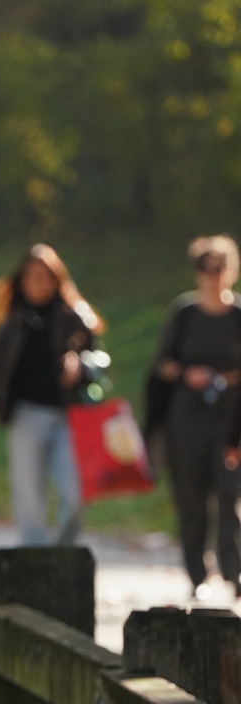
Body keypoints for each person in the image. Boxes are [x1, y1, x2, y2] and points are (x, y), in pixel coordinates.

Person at [0, 244, 104, 545]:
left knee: (76, 495)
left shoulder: (74, 319)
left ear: (56, 280)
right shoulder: (10, 325)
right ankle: (34, 558)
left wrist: (81, 366)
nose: (38, 283)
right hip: (26, 417)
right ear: (21, 282)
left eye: (44, 277)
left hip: (68, 417)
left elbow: (100, 359)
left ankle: (63, 552)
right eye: (32, 277)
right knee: (30, 503)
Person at [147, 235, 241, 598]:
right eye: (205, 267)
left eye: (219, 267)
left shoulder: (238, 316)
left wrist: (228, 379)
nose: (212, 275)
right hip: (186, 418)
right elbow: (162, 364)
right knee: (191, 499)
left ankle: (234, 575)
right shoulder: (184, 313)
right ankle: (197, 575)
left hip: (231, 420)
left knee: (230, 496)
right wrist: (190, 374)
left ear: (231, 270)